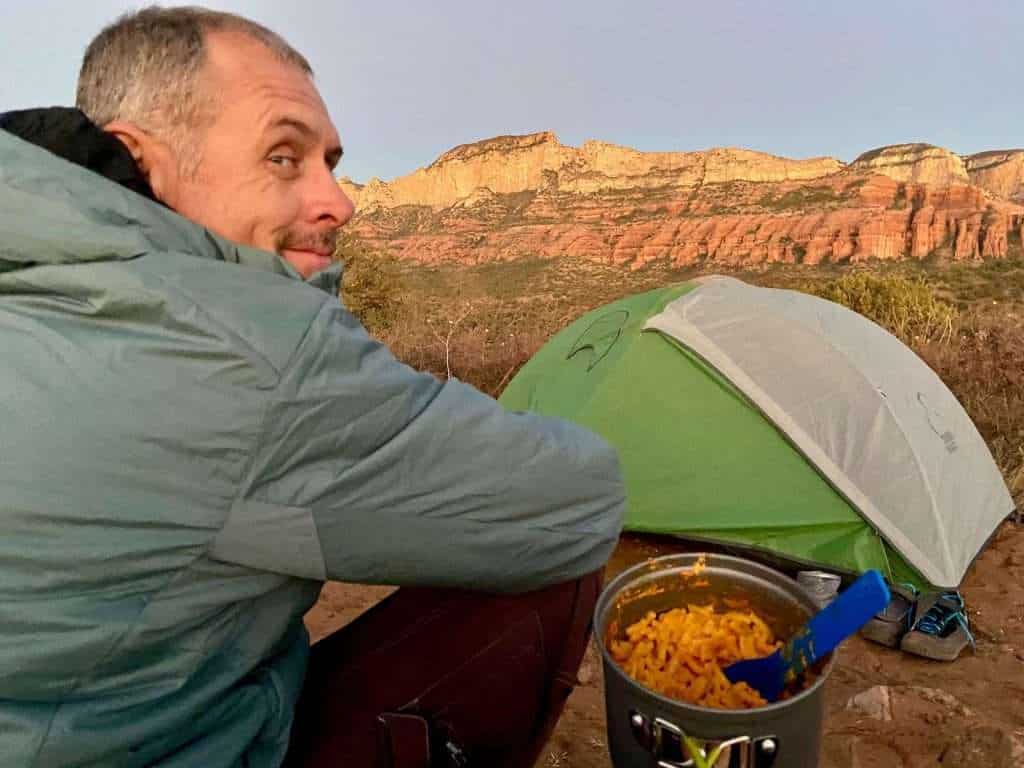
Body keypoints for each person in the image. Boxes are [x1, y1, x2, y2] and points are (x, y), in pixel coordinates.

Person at [0, 7, 625, 768]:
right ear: (144, 159)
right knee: (549, 567)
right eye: (284, 157)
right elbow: (577, 497)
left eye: (328, 161)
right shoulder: (241, 352)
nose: (340, 202)